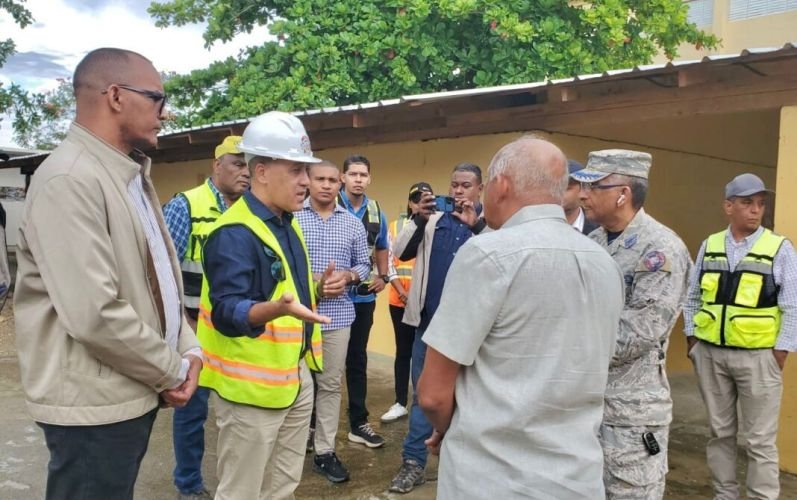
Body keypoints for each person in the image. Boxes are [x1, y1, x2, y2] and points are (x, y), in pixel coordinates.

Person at [14, 48, 202, 500]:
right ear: (116, 96)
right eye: (157, 98)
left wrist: (189, 347)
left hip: (125, 389)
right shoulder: (71, 178)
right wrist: (171, 369)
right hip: (92, 404)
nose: (165, 112)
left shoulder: (126, 174)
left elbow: (156, 282)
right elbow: (94, 313)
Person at [417, 136, 624, 499]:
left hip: (491, 478)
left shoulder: (486, 254)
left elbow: (433, 395)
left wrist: (446, 426)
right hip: (577, 478)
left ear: (501, 185)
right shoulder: (603, 262)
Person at [196, 111, 336, 499]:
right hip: (250, 393)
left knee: (282, 487)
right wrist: (277, 309)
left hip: (293, 378)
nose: (306, 182)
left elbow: (288, 292)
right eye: (296, 171)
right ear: (261, 172)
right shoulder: (234, 233)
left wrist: (319, 290)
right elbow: (227, 312)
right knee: (241, 491)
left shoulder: (285, 223)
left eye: (306, 171)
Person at [572, 149, 692, 499]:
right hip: (584, 404)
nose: (582, 194)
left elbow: (638, 332)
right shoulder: (590, 244)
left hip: (631, 415)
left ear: (623, 193)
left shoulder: (661, 249)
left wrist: (567, 347)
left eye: (594, 186)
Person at [684, 173, 796, 500]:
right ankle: (725, 495)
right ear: (728, 207)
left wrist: (780, 352)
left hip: (759, 358)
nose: (755, 210)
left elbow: (793, 304)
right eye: (747, 203)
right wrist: (693, 341)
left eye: (760, 204)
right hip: (711, 355)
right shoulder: (711, 244)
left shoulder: (779, 248)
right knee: (720, 433)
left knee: (760, 440)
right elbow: (691, 297)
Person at [389, 163, 487, 493]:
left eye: (466, 186)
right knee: (424, 396)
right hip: (428, 326)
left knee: (471, 396)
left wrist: (478, 227)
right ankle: (414, 462)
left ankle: (464, 463)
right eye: (454, 185)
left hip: (470, 330)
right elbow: (400, 252)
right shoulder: (432, 220)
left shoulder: (489, 224)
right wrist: (417, 216)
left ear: (479, 189)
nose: (459, 191)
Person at [162, 135, 249, 499]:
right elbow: (163, 274)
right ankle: (189, 485)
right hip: (195, 331)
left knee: (238, 415)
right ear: (217, 166)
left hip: (236, 332)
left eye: (249, 165)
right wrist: (183, 326)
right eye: (237, 164)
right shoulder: (186, 205)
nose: (245, 172)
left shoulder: (252, 210)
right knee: (191, 413)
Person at [295, 160, 370, 483]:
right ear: (308, 182)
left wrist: (349, 276)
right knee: (296, 386)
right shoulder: (291, 219)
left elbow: (364, 265)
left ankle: (325, 451)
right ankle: (293, 448)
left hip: (338, 318)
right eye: (319, 179)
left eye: (331, 180)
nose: (326, 185)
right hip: (296, 318)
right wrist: (312, 282)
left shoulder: (353, 224)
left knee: (328, 386)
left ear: (339, 184)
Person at [337, 154, 390, 447]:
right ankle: (310, 424)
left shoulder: (374, 210)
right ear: (343, 177)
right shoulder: (329, 205)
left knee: (357, 360)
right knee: (321, 362)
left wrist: (383, 276)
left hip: (361, 299)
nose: (358, 179)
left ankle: (358, 423)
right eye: (353, 174)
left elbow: (381, 246)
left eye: (363, 174)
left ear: (369, 179)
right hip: (330, 300)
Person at [380, 182, 432, 423]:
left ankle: (423, 403)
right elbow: (389, 261)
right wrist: (402, 292)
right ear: (410, 202)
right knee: (403, 353)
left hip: (425, 304)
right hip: (399, 301)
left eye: (425, 197)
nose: (419, 202)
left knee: (425, 355)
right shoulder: (395, 226)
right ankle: (400, 402)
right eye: (415, 198)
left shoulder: (436, 225)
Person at [563, 159, 599, 234]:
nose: (556, 193)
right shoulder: (534, 226)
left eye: (565, 188)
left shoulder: (600, 228)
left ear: (583, 188)